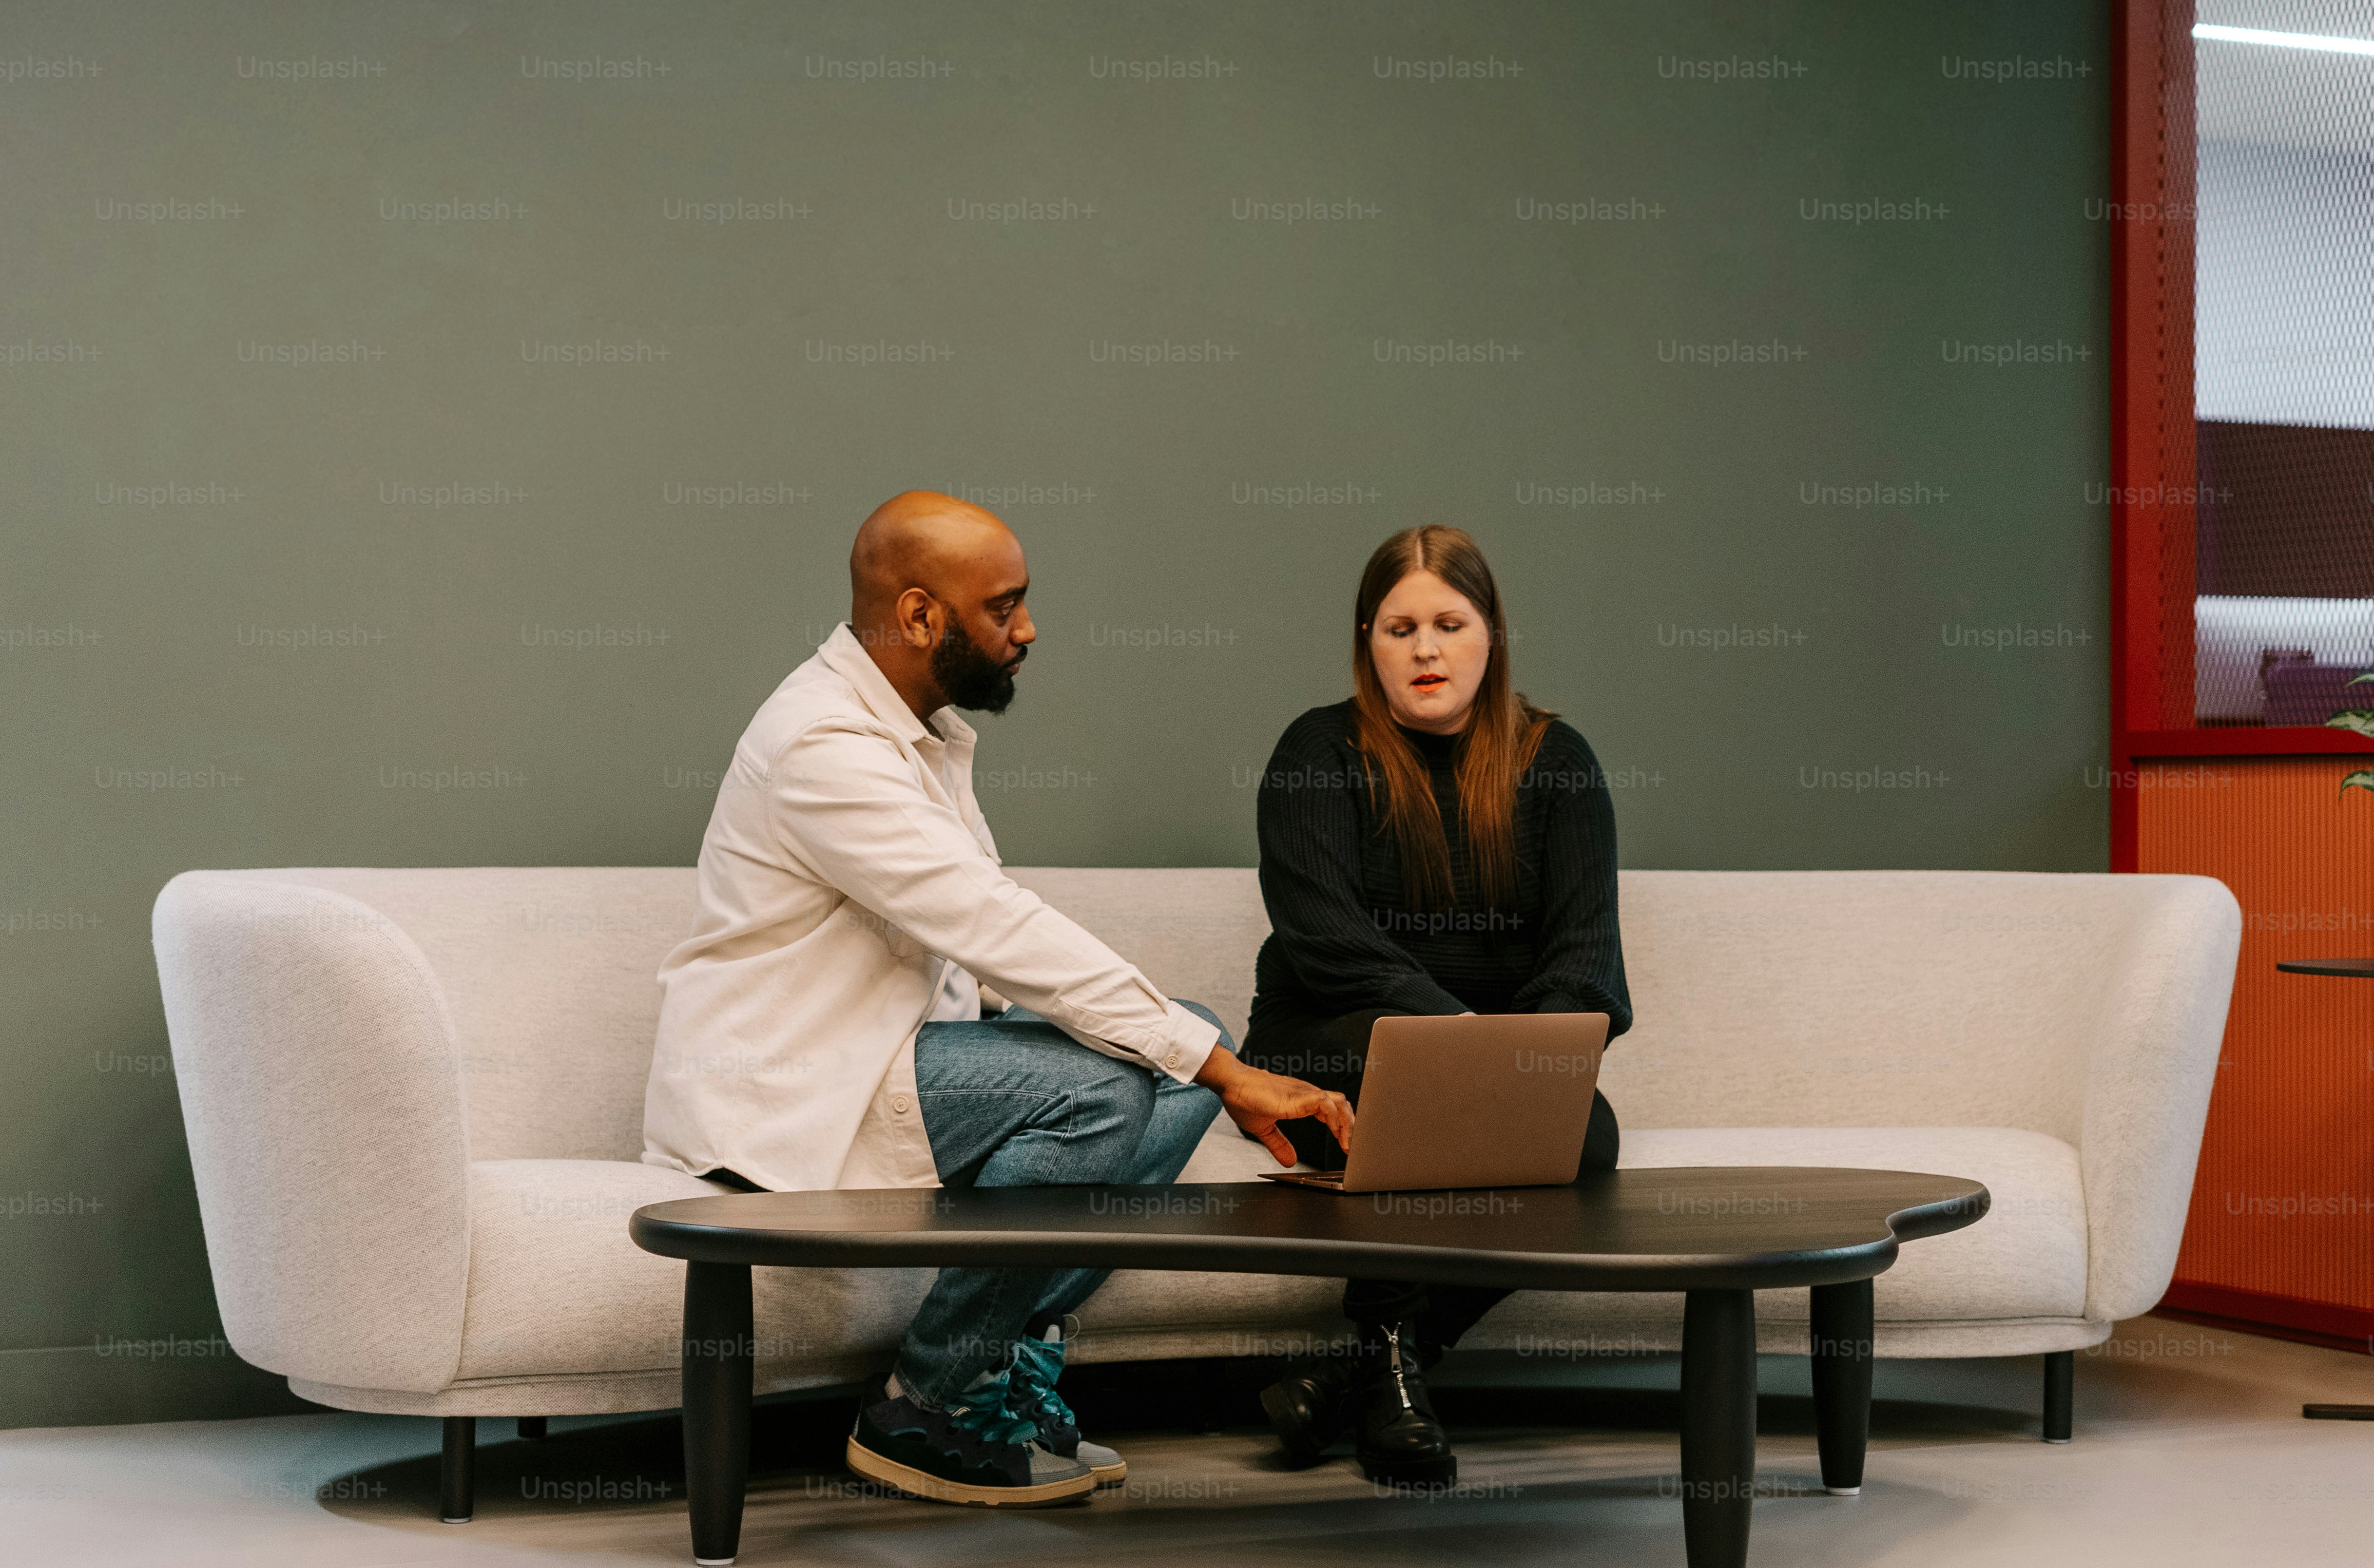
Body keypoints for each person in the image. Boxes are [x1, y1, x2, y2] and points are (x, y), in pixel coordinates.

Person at [641, 491, 1352, 1509]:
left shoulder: (914, 727)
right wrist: (1220, 1072)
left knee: (1184, 1040)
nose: (1028, 630)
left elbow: (969, 944)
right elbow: (994, 923)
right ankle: (928, 1403)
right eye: (1004, 606)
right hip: (796, 1089)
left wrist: (1193, 1056)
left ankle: (1003, 1349)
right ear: (920, 615)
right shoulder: (823, 745)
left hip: (893, 1056)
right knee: (1118, 1086)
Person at [1239, 524, 1632, 1488]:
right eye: (1399, 627)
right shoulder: (1316, 751)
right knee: (1409, 1090)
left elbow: (1585, 959)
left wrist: (1515, 1058)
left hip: (1485, 1051)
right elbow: (1326, 943)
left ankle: (1364, 1368)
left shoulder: (1558, 762)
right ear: (1366, 640)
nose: (1426, 650)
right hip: (1324, 1042)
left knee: (1586, 1137)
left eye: (1449, 624)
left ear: (1490, 632)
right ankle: (1388, 1385)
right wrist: (1456, 1041)